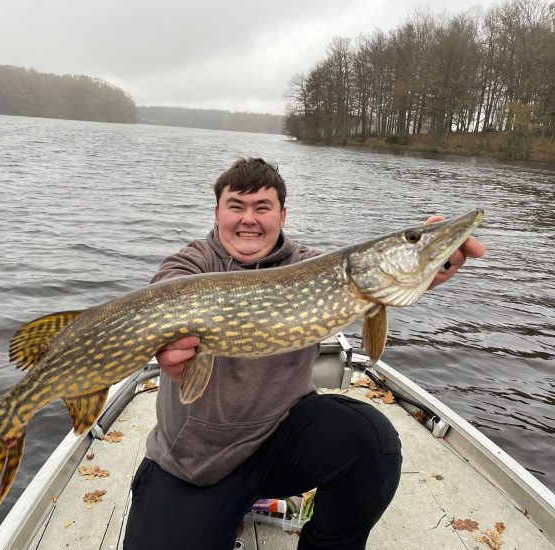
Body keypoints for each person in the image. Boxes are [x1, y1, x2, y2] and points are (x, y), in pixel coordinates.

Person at [123, 157, 486, 550]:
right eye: (236, 207)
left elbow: (384, 281)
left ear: (282, 214)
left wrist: (425, 262)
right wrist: (164, 343)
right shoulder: (191, 263)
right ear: (217, 213)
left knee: (370, 442)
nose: (249, 219)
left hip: (279, 442)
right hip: (197, 461)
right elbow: (167, 290)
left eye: (262, 207)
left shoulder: (314, 267)